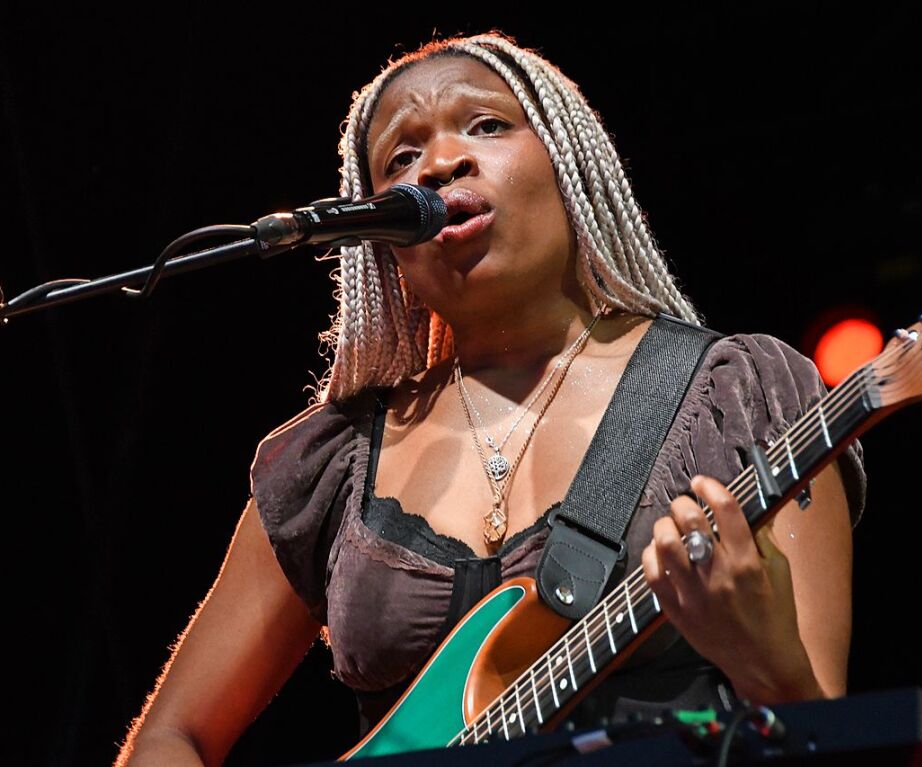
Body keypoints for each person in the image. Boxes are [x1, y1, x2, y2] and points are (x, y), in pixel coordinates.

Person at [116, 31, 866, 766]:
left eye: (486, 125)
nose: (442, 162)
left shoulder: (737, 397)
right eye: (402, 157)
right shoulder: (332, 461)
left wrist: (770, 668)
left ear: (568, 164)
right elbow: (169, 735)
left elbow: (830, 737)